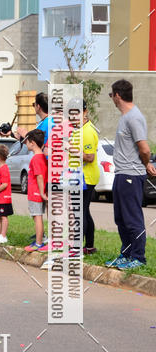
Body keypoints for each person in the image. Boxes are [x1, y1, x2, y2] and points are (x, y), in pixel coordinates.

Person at [105, 79, 156, 269]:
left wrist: (146, 163)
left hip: (131, 175)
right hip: (121, 173)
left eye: (111, 95)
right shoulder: (125, 117)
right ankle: (125, 254)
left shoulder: (134, 117)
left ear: (118, 95)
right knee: (121, 218)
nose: (112, 99)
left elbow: (144, 148)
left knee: (132, 217)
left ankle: (138, 257)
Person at [70, 101, 99, 255]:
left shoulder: (87, 132)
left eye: (76, 113)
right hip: (77, 176)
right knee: (84, 211)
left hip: (85, 178)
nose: (73, 116)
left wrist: (70, 148)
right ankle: (89, 246)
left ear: (85, 111)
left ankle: (77, 247)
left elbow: (89, 157)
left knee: (79, 212)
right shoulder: (78, 129)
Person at [23, 129, 48, 251]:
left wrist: (42, 192)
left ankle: (38, 242)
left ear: (32, 142)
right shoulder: (43, 157)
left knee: (37, 217)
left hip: (36, 193)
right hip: (39, 192)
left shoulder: (36, 158)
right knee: (37, 216)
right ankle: (40, 240)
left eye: (26, 141)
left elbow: (39, 176)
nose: (25, 144)